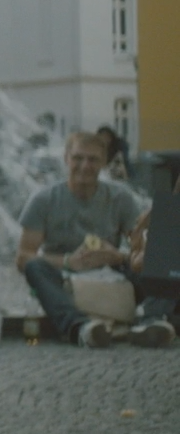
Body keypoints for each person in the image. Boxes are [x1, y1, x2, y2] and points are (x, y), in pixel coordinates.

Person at [16, 132, 173, 349]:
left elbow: (141, 252)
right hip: (64, 276)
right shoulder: (43, 200)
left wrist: (116, 256)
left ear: (104, 163)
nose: (85, 166)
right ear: (66, 159)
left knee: (167, 249)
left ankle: (151, 319)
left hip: (111, 270)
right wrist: (69, 261)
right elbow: (23, 257)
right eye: (78, 158)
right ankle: (79, 327)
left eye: (93, 159)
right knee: (35, 267)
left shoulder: (121, 198)